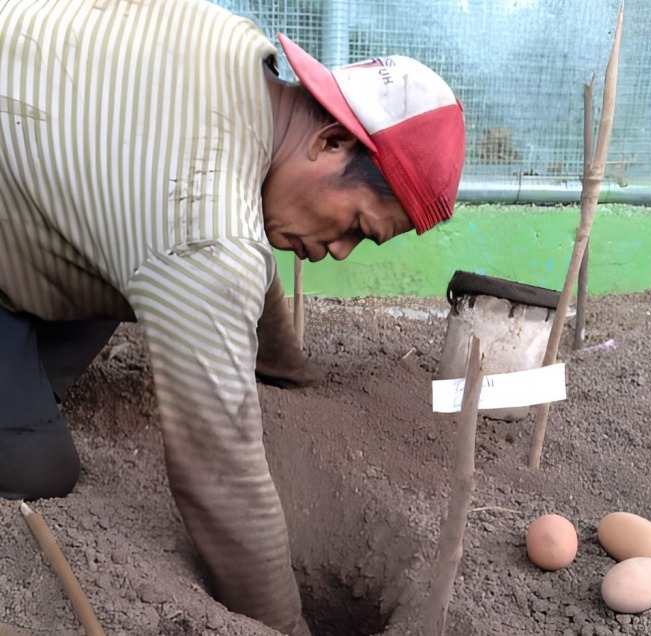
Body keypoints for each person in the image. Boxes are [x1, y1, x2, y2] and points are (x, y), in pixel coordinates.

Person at [0, 0, 466, 633]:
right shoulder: (205, 227)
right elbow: (218, 475)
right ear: (331, 141)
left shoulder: (236, 51)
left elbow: (234, 257)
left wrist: (285, 367)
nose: (337, 251)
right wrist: (285, 626)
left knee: (144, 265)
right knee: (35, 466)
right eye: (357, 226)